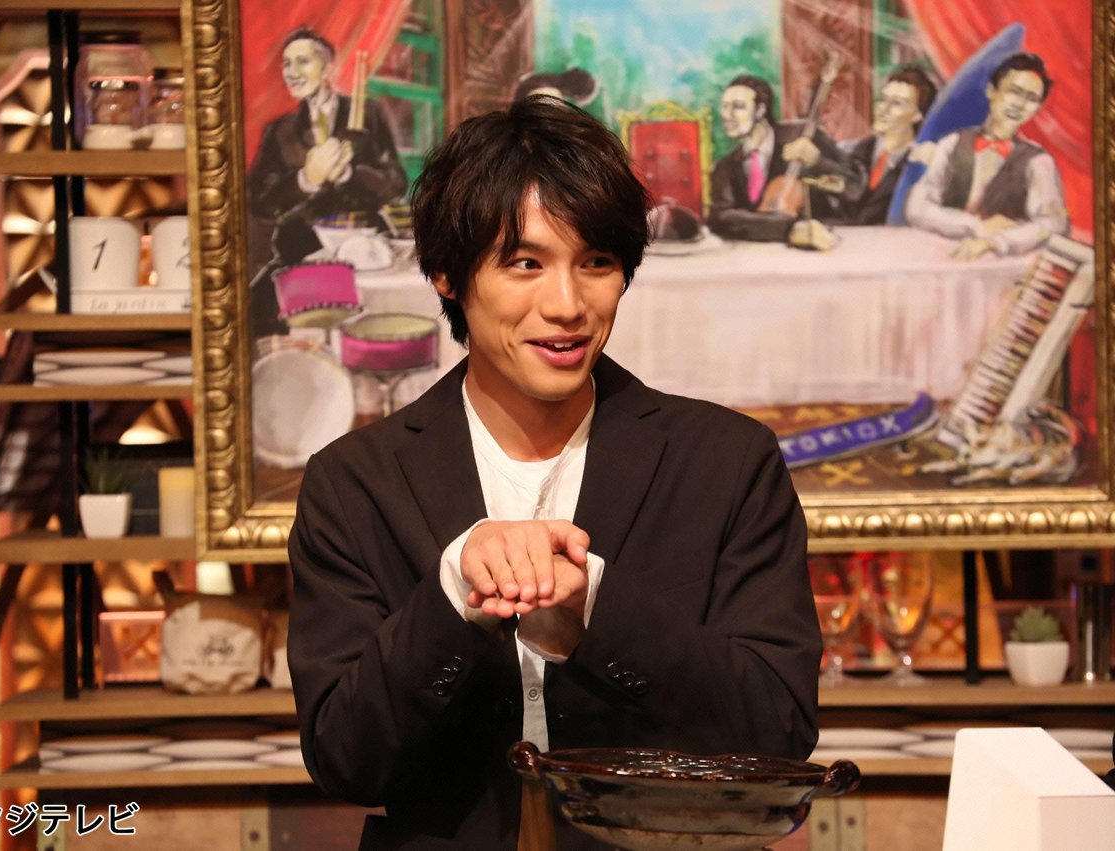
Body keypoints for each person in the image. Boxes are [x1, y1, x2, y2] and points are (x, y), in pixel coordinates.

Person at [287, 96, 820, 850]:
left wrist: (597, 607)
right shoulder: (354, 484)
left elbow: (778, 731)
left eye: (595, 262)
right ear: (446, 273)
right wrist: (451, 598)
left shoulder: (727, 462)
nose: (567, 305)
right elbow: (346, 761)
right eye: (525, 263)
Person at [245, 28, 408, 336]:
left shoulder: (367, 115)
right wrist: (306, 179)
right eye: (287, 64)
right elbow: (260, 201)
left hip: (365, 248)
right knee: (255, 315)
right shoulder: (280, 131)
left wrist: (349, 174)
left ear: (328, 68)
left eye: (303, 61)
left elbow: (396, 184)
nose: (292, 72)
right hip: (301, 251)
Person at [905, 52, 1068, 260]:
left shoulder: (1038, 161)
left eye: (1032, 99)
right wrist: (976, 226)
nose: (1019, 104)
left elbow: (1052, 224)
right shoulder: (952, 143)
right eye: (1014, 92)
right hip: (941, 255)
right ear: (992, 91)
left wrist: (996, 241)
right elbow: (917, 207)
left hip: (999, 262)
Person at [706, 74, 850, 248]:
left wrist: (818, 160)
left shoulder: (803, 136)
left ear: (760, 109)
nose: (727, 115)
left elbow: (857, 188)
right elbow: (720, 219)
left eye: (738, 106)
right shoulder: (725, 166)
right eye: (724, 106)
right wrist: (790, 229)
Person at [833, 66, 938, 225]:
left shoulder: (922, 163)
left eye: (897, 103)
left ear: (917, 115)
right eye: (883, 99)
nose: (883, 109)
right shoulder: (850, 150)